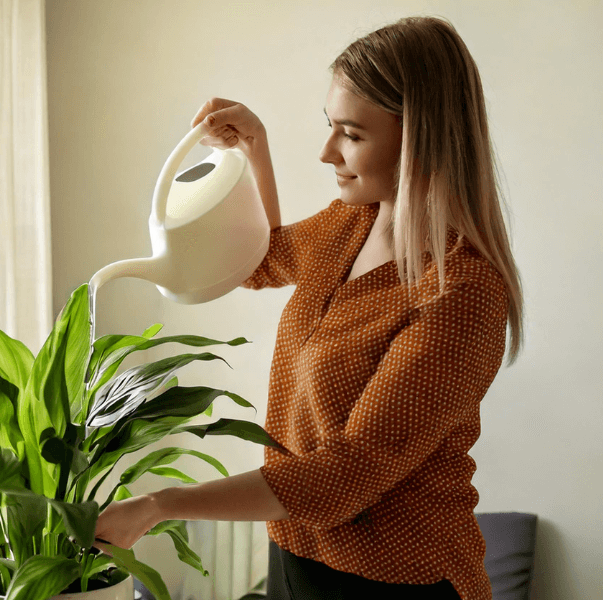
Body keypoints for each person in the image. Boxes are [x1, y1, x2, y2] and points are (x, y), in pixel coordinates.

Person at [93, 15, 523, 600]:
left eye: (351, 134)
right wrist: (252, 149)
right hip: (295, 547)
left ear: (421, 137)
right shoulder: (354, 221)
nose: (326, 152)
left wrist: (159, 504)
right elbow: (261, 261)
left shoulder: (462, 293)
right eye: (331, 126)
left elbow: (343, 478)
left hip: (395, 577)